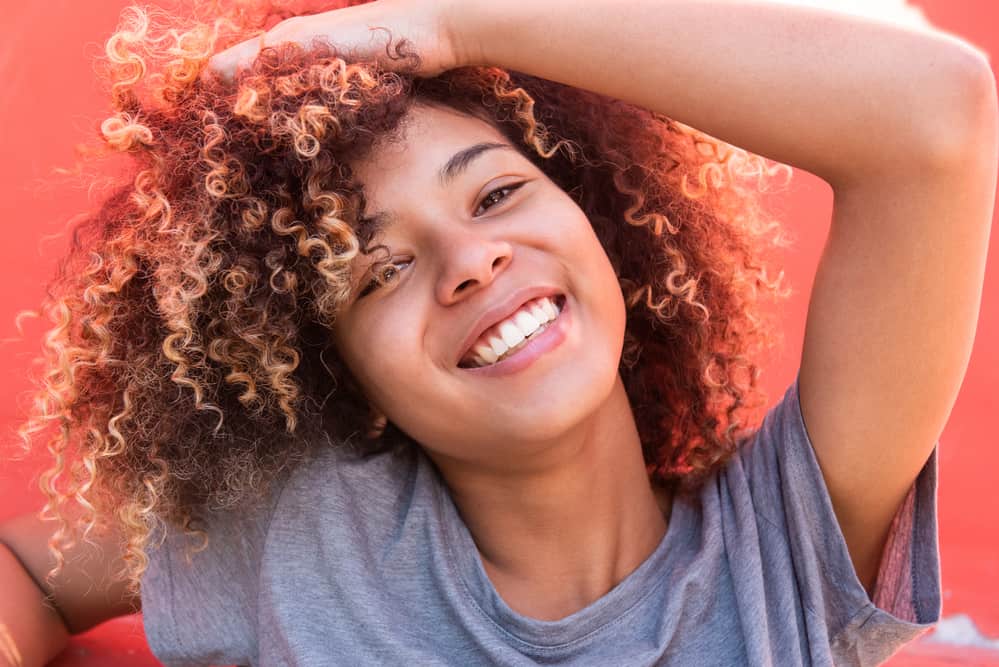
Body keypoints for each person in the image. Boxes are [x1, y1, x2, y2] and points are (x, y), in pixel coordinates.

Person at [0, 0, 994, 665]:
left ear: (603, 226)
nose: (470, 262)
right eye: (379, 270)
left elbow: (938, 113)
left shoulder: (783, 546)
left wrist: (448, 21)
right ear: (350, 385)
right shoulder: (306, 533)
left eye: (498, 191)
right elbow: (30, 570)